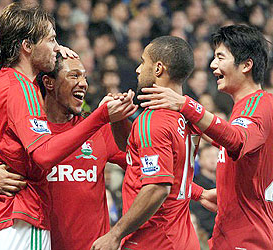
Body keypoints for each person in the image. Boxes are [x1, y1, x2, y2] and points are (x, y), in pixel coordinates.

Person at [0, 2, 137, 250]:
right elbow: (44, 155)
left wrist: (50, 53)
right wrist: (100, 116)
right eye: (51, 40)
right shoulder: (22, 89)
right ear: (27, 46)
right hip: (21, 217)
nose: (58, 47)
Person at [138, 24, 273, 249]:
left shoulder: (259, 104)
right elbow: (223, 138)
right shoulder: (246, 108)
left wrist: (186, 105)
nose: (213, 65)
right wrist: (202, 193)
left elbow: (235, 140)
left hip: (249, 239)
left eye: (220, 57)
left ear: (246, 65)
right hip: (231, 233)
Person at [91, 36, 216, 250]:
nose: (138, 70)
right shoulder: (186, 115)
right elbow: (138, 155)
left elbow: (158, 188)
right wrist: (119, 121)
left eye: (143, 62)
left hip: (154, 241)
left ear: (158, 68)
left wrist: (114, 234)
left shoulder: (152, 122)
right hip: (182, 238)